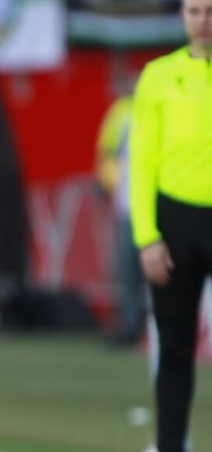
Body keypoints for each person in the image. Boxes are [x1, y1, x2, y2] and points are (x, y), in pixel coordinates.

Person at [126, 0, 212, 452]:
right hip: (175, 225)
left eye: (210, 10)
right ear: (182, 16)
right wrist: (146, 237)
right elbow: (142, 162)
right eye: (194, 10)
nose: (203, 19)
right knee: (174, 348)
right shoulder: (158, 77)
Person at [94, 81, 144, 345]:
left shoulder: (163, 108)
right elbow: (108, 153)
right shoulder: (124, 111)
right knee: (128, 271)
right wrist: (109, 183)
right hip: (129, 206)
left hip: (157, 206)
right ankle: (131, 324)